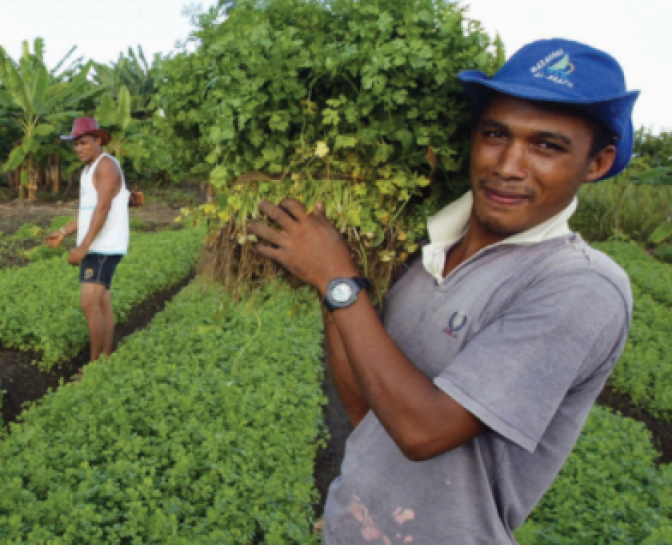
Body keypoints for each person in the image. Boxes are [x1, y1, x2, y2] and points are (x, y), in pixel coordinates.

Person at [250, 39, 638, 543]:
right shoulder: (425, 253)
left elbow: (422, 432)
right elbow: (367, 414)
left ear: (597, 162)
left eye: (547, 145)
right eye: (495, 134)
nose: (509, 164)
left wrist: (337, 279)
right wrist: (335, 292)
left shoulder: (580, 286)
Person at [46, 117, 131, 362]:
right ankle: (105, 356)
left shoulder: (106, 166)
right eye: (75, 144)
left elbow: (103, 207)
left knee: (89, 304)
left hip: (104, 247)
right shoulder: (89, 169)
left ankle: (95, 365)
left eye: (83, 143)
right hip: (97, 245)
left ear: (98, 140)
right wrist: (64, 232)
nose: (79, 149)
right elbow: (89, 211)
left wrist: (84, 246)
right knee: (102, 303)